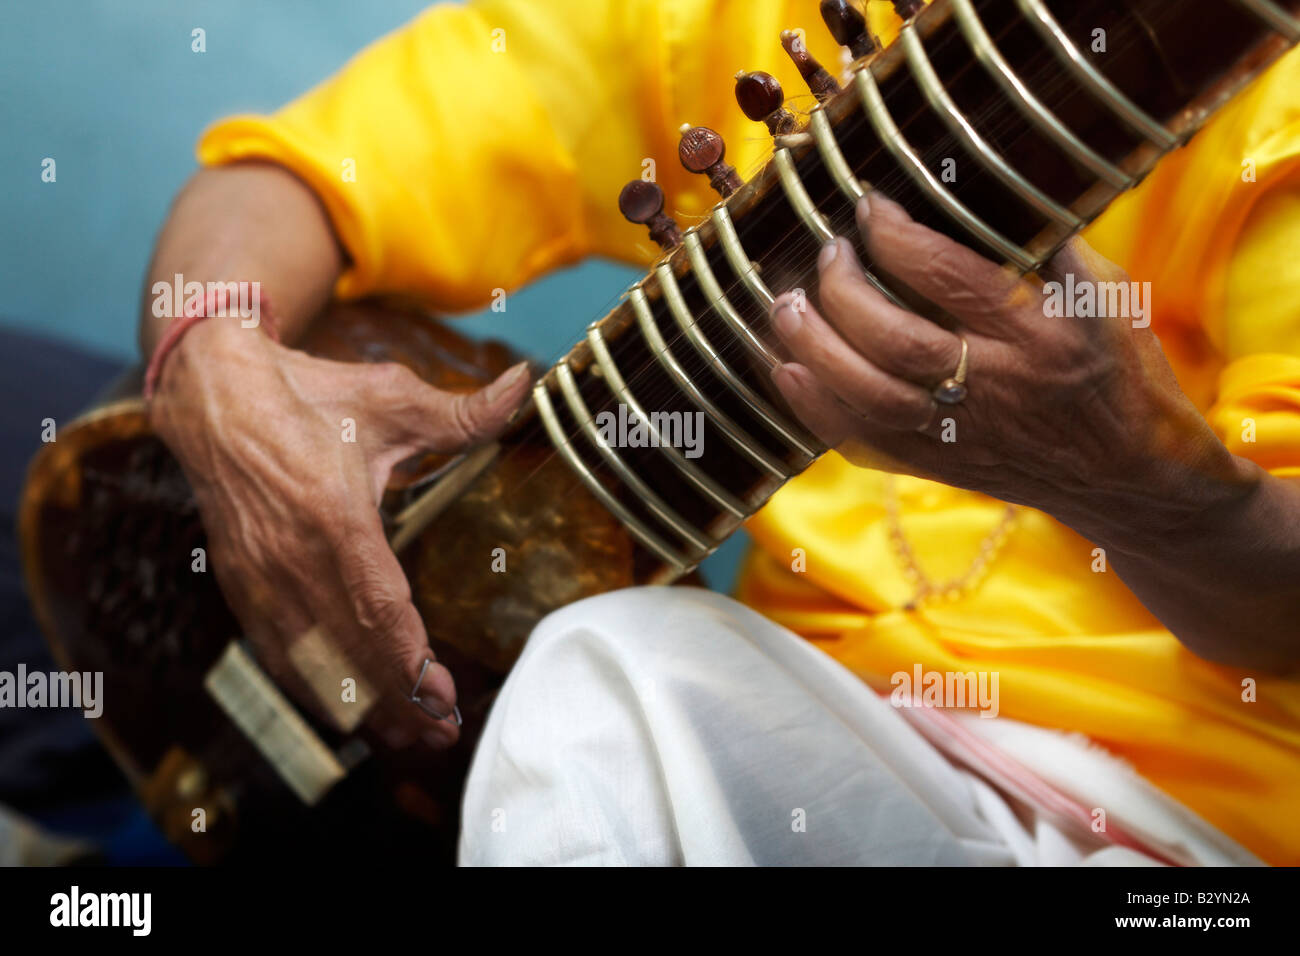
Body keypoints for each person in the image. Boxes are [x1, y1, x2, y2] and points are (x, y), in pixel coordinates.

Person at [141, 0, 1300, 864]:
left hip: (1187, 833)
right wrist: (215, 368)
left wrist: (1145, 489)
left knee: (603, 688)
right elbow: (278, 182)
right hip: (801, 758)